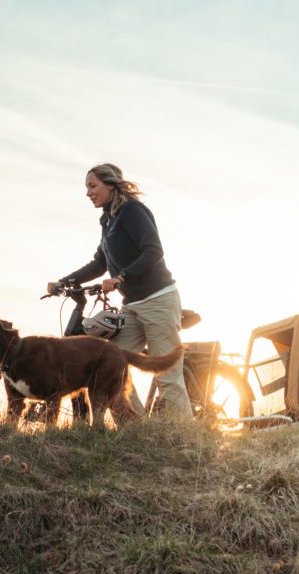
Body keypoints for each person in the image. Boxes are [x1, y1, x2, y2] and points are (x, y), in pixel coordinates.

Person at [48, 163, 191, 418]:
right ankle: (137, 430)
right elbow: (99, 263)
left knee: (168, 375)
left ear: (110, 185)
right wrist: (65, 281)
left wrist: (122, 277)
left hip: (158, 300)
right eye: (87, 188)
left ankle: (186, 439)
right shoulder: (108, 219)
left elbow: (154, 251)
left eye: (93, 186)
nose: (88, 193)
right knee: (109, 366)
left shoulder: (132, 211)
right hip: (132, 306)